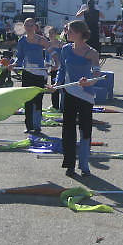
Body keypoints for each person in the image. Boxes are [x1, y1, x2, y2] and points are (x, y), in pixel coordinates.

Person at [49, 20, 101, 177]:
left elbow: (97, 75)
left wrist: (89, 81)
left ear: (79, 33)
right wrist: (56, 85)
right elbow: (62, 70)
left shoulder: (92, 53)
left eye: (69, 31)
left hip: (85, 95)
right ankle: (69, 163)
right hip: (69, 93)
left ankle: (84, 165)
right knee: (68, 129)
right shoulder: (65, 49)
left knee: (85, 129)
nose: (67, 33)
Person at [13, 18, 54, 134]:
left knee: (38, 100)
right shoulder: (22, 41)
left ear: (35, 27)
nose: (29, 27)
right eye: (27, 25)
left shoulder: (41, 40)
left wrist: (49, 63)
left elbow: (50, 53)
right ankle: (29, 125)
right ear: (24, 27)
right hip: (27, 73)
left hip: (39, 73)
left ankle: (37, 125)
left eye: (31, 25)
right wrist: (14, 64)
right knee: (27, 100)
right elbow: (19, 57)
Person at [45, 25, 62, 111]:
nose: (51, 35)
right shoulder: (47, 44)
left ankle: (62, 105)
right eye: (49, 33)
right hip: (52, 68)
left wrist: (58, 65)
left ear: (56, 34)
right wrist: (47, 65)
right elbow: (47, 57)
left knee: (61, 87)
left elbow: (63, 57)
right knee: (53, 87)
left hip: (60, 68)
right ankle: (55, 106)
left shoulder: (60, 44)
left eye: (52, 33)